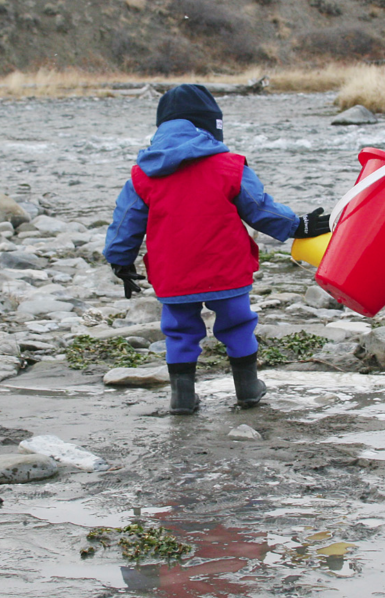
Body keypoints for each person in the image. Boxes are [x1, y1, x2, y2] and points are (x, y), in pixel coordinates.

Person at [103, 84, 330, 415]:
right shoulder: (229, 166)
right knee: (237, 323)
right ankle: (248, 389)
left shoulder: (143, 175)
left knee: (179, 331)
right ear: (210, 126)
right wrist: (297, 226)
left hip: (174, 271)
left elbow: (126, 222)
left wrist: (120, 261)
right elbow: (259, 208)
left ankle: (182, 399)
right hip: (227, 266)